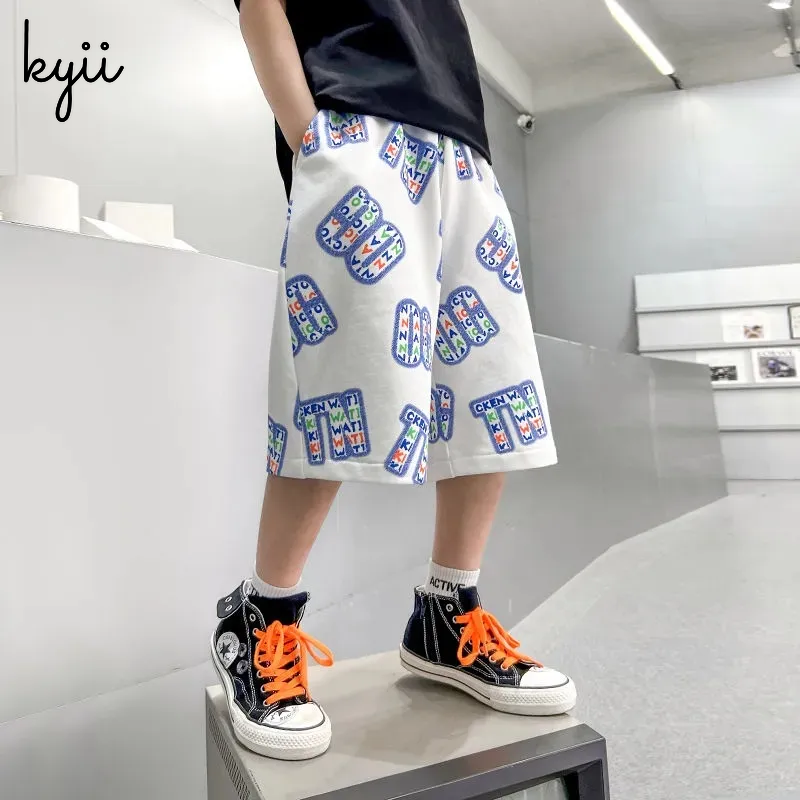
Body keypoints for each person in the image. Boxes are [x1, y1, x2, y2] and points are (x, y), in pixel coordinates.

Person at [212, 0, 577, 761]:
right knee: (338, 386)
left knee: (488, 390)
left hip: (463, 147)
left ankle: (447, 612)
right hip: (356, 125)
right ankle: (261, 616)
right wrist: (311, 138)